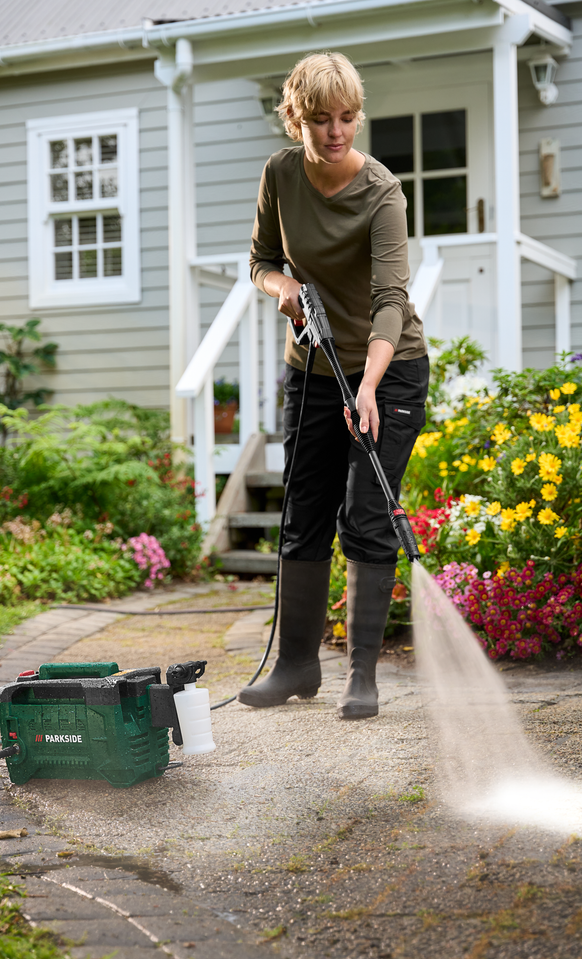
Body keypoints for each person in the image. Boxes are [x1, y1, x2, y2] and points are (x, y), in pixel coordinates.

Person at [236, 52, 429, 720]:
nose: (336, 130)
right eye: (321, 119)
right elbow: (259, 260)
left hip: (389, 365)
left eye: (347, 117)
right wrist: (283, 286)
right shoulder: (280, 174)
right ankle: (295, 666)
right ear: (298, 119)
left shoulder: (381, 191)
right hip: (314, 366)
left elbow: (390, 302)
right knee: (304, 509)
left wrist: (371, 385)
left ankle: (362, 677)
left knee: (367, 514)